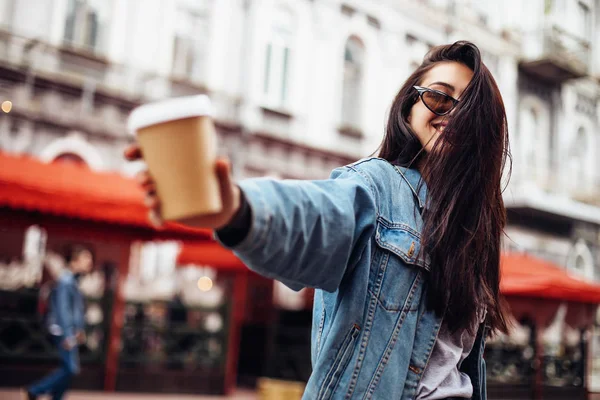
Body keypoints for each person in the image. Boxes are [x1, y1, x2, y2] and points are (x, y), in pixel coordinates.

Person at [126, 41, 510, 399]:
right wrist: (237, 211)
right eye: (439, 97)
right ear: (409, 108)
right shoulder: (378, 188)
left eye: (470, 109)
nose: (452, 115)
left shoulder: (475, 233)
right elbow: (316, 217)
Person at [23, 244, 93, 400]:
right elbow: (63, 310)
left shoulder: (73, 281)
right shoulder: (66, 281)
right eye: (86, 259)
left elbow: (74, 310)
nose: (90, 263)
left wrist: (79, 329)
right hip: (62, 330)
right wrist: (69, 335)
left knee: (68, 368)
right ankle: (34, 391)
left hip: (69, 331)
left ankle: (54, 397)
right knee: (70, 368)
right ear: (74, 262)